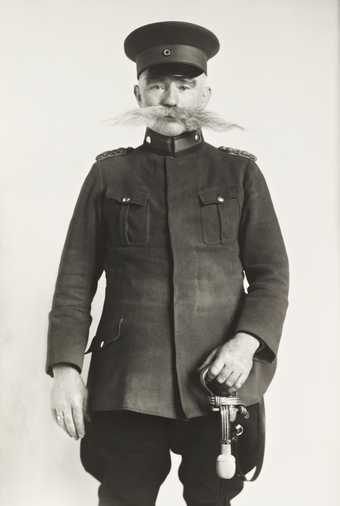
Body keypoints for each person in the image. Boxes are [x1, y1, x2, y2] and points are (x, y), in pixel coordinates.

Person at [46, 21, 289, 506]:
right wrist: (65, 369)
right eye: (157, 85)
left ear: (206, 92)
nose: (170, 99)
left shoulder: (239, 173)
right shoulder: (109, 173)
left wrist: (245, 345)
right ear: (138, 93)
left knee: (212, 497)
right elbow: (74, 282)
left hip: (220, 381)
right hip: (129, 379)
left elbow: (271, 275)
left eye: (184, 86)